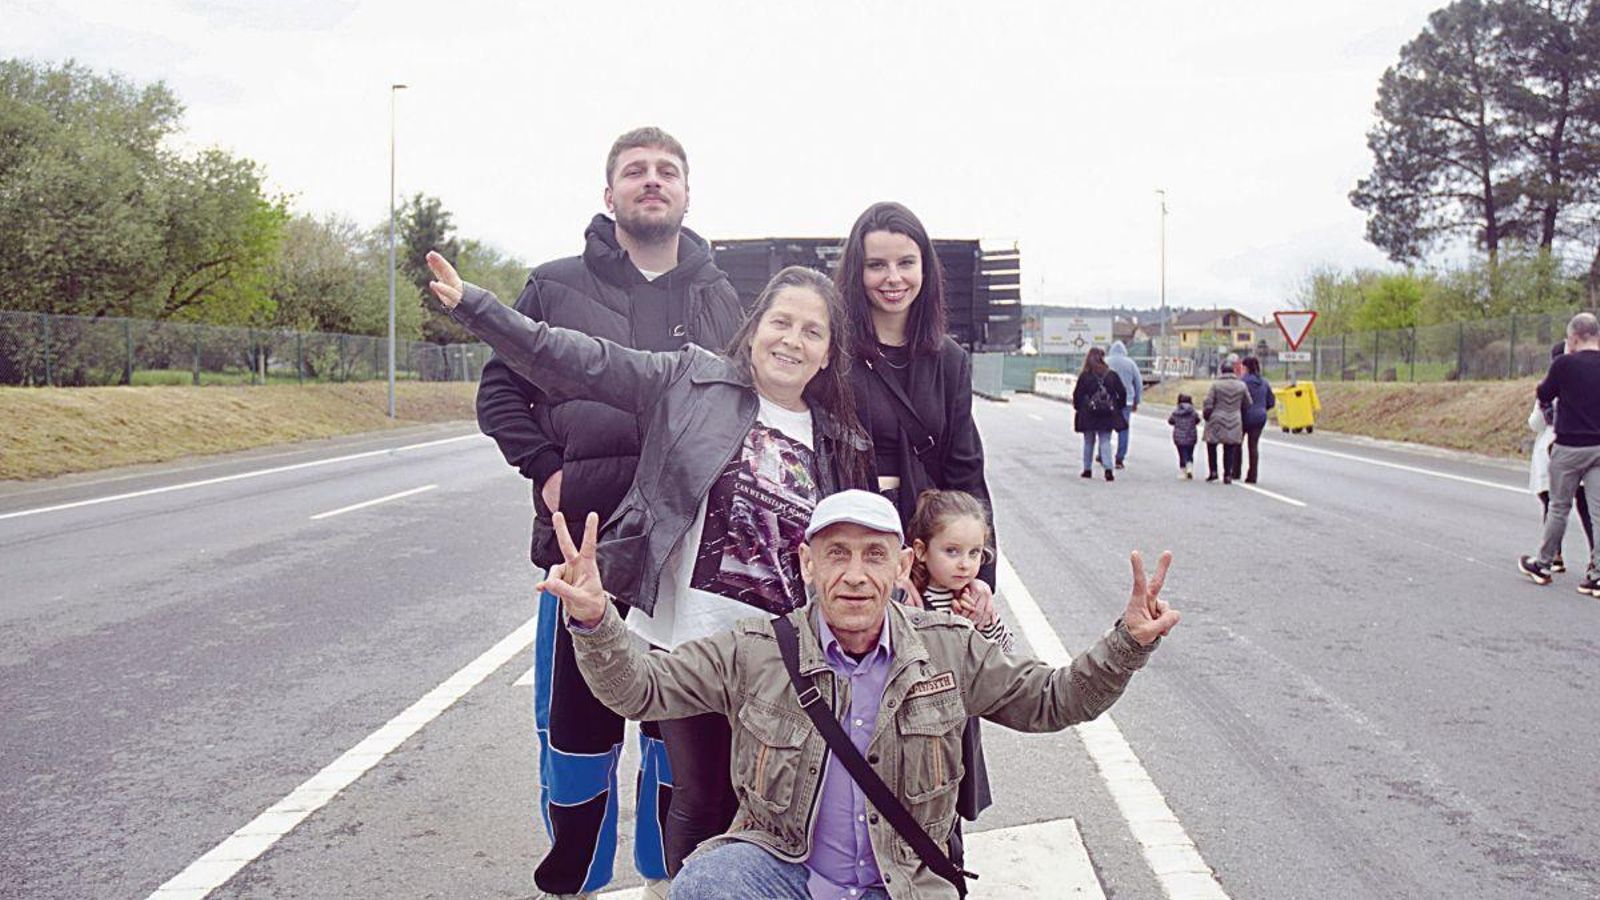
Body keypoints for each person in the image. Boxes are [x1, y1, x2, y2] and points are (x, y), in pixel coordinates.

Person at [429, 254, 874, 877]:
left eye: (812, 331)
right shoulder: (690, 379)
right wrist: (479, 307)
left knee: (779, 799)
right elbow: (577, 358)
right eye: (782, 322)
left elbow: (857, 550)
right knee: (703, 796)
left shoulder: (840, 440)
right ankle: (690, 891)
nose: (792, 340)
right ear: (755, 329)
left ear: (827, 354)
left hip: (782, 654)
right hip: (688, 640)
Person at [537, 490, 1180, 900]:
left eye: (875, 555)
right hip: (782, 871)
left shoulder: (950, 648)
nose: (854, 574)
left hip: (901, 881)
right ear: (806, 564)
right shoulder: (756, 648)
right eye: (835, 554)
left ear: (902, 568)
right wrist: (596, 620)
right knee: (705, 885)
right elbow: (639, 688)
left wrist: (1127, 641)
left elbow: (1053, 699)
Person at [470, 127, 743, 898]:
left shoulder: (723, 300)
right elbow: (499, 392)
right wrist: (545, 468)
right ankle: (578, 883)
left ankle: (668, 883)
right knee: (579, 743)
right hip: (584, 556)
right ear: (609, 193)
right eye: (635, 172)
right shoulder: (553, 284)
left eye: (666, 172)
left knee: (679, 743)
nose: (651, 182)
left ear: (687, 193)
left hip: (681, 565)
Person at [833, 201, 1001, 840]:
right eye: (876, 264)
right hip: (856, 551)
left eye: (905, 262)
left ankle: (937, 854)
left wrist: (974, 576)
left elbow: (967, 472)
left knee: (934, 705)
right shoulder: (838, 351)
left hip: (928, 557)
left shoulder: (949, 360)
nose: (891, 277)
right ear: (857, 270)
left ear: (925, 269)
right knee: (854, 706)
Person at [1520, 312, 1600, 595]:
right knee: (1597, 510)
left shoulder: (1564, 364)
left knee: (1558, 506)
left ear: (1574, 337)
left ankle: (1543, 564)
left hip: (1569, 445)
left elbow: (1544, 394)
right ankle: (1597, 575)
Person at [907, 489, 1015, 654]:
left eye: (974, 552)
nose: (965, 564)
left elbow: (1007, 652)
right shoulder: (910, 602)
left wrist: (982, 625)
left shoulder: (975, 600)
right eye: (952, 551)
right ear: (921, 550)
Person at [1528, 340, 1595, 574]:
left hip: (1559, 451)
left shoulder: (1555, 381)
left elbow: (1535, 423)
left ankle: (1550, 558)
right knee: (1589, 508)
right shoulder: (1587, 380)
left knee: (1555, 505)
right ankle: (1594, 562)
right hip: (1589, 447)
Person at [1072, 346, 1128, 481]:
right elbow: (1122, 393)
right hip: (1106, 414)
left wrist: (1080, 408)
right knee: (1105, 440)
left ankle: (1087, 469)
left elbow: (1077, 395)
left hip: (1088, 413)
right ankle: (1108, 469)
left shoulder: (1085, 376)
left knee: (1088, 442)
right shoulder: (1111, 375)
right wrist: (1116, 406)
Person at [1202, 353, 1250, 484]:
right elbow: (1248, 403)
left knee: (1212, 445)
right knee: (1229, 448)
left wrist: (1206, 415)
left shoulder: (1216, 385)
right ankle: (1227, 474)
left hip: (1216, 419)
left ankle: (1213, 471)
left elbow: (1209, 402)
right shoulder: (1241, 385)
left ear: (1221, 371)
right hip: (1234, 418)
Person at [1239, 356, 1275, 484]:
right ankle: (1253, 475)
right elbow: (1271, 401)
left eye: (1242, 367)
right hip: (1260, 417)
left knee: (1238, 444)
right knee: (1253, 446)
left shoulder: (1242, 381)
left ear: (1246, 368)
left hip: (1244, 416)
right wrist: (1262, 408)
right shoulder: (1264, 382)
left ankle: (1235, 471)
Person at [1107, 340, 1143, 469]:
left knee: (1106, 428)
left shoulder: (1106, 362)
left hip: (1109, 401)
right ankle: (1119, 458)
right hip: (1126, 400)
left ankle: (1103, 453)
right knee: (1124, 429)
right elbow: (1138, 383)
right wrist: (1136, 401)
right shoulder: (1130, 363)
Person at [1167, 392, 1200, 479]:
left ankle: (1183, 470)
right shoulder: (1193, 412)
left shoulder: (1176, 411)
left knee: (1181, 453)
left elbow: (1170, 421)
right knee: (1190, 452)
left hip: (1179, 437)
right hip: (1191, 435)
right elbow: (1197, 420)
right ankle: (1189, 467)